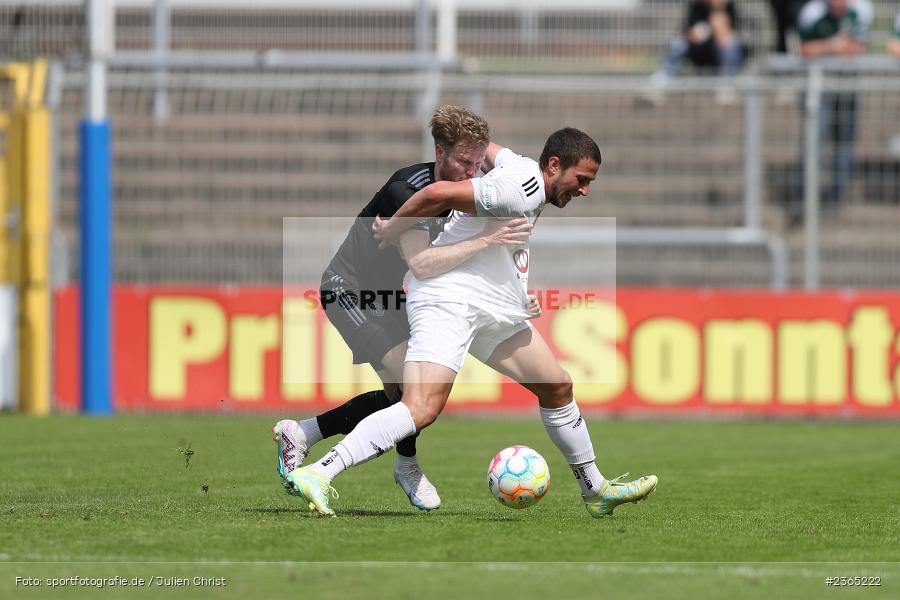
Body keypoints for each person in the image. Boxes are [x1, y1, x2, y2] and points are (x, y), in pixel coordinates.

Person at [286, 128, 658, 518]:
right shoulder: (522, 188)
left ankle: (595, 490)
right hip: (449, 300)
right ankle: (319, 472)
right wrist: (394, 227)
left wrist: (515, 292)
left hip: (492, 307)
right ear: (553, 165)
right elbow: (436, 194)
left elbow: (486, 148)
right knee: (421, 407)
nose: (584, 190)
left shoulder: (518, 167)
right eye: (581, 180)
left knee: (557, 385)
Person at [274, 106, 533, 510]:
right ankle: (406, 466)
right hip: (351, 289)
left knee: (407, 396)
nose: (471, 172)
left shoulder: (467, 189)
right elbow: (423, 264)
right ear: (439, 151)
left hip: (393, 297)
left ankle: (305, 433)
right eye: (463, 162)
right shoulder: (407, 190)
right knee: (411, 388)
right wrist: (489, 239)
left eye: (476, 163)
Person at [793, 0, 872, 219]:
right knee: (814, 139)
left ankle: (836, 199)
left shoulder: (860, 11)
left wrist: (825, 48)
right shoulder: (811, 13)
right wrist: (833, 46)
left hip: (847, 87)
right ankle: (805, 197)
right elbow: (803, 49)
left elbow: (857, 48)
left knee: (844, 142)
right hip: (818, 88)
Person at [651, 0, 747, 93]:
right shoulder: (697, 6)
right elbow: (687, 31)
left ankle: (727, 84)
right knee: (679, 43)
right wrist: (694, 35)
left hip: (718, 53)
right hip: (698, 50)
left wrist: (718, 13)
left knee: (731, 45)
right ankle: (664, 78)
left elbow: (727, 35)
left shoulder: (728, 7)